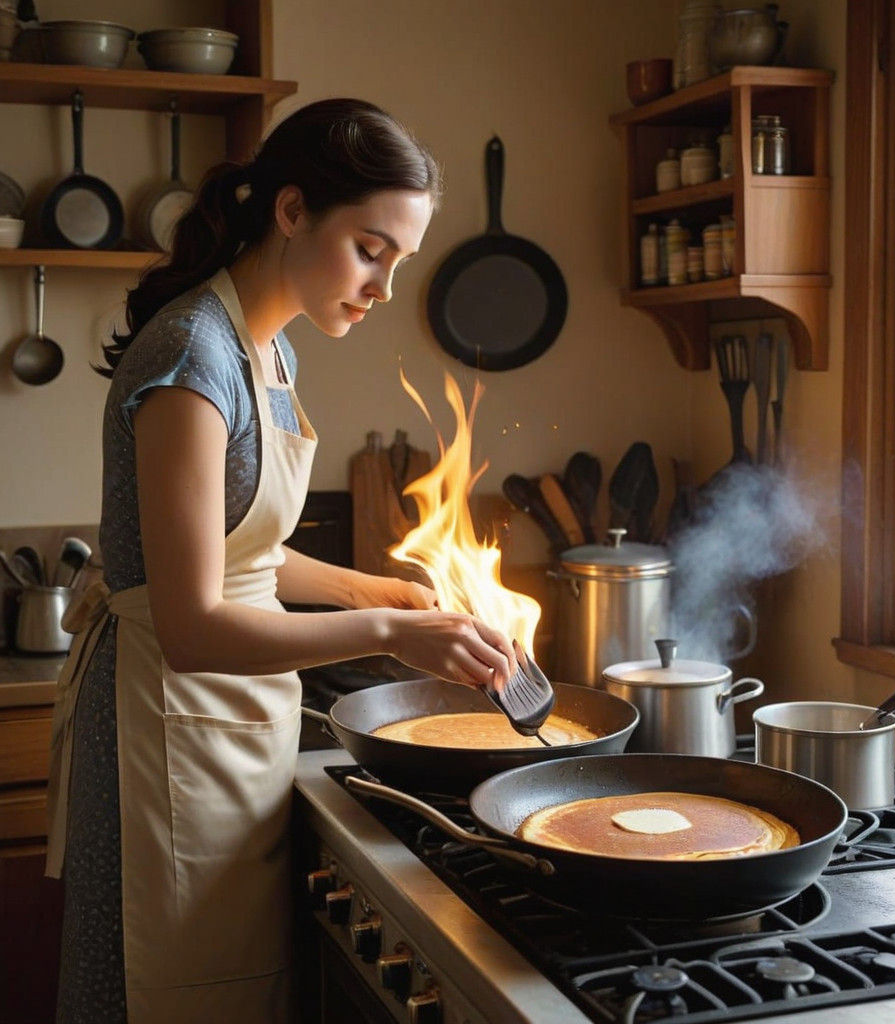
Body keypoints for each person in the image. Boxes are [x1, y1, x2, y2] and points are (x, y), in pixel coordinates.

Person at [45, 98, 516, 1024]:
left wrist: (385, 590)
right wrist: (390, 634)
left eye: (400, 262)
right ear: (292, 210)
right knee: (158, 993)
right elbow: (191, 625)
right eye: (371, 250)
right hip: (159, 723)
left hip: (227, 725)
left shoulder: (268, 348)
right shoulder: (191, 355)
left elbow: (247, 556)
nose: (383, 288)